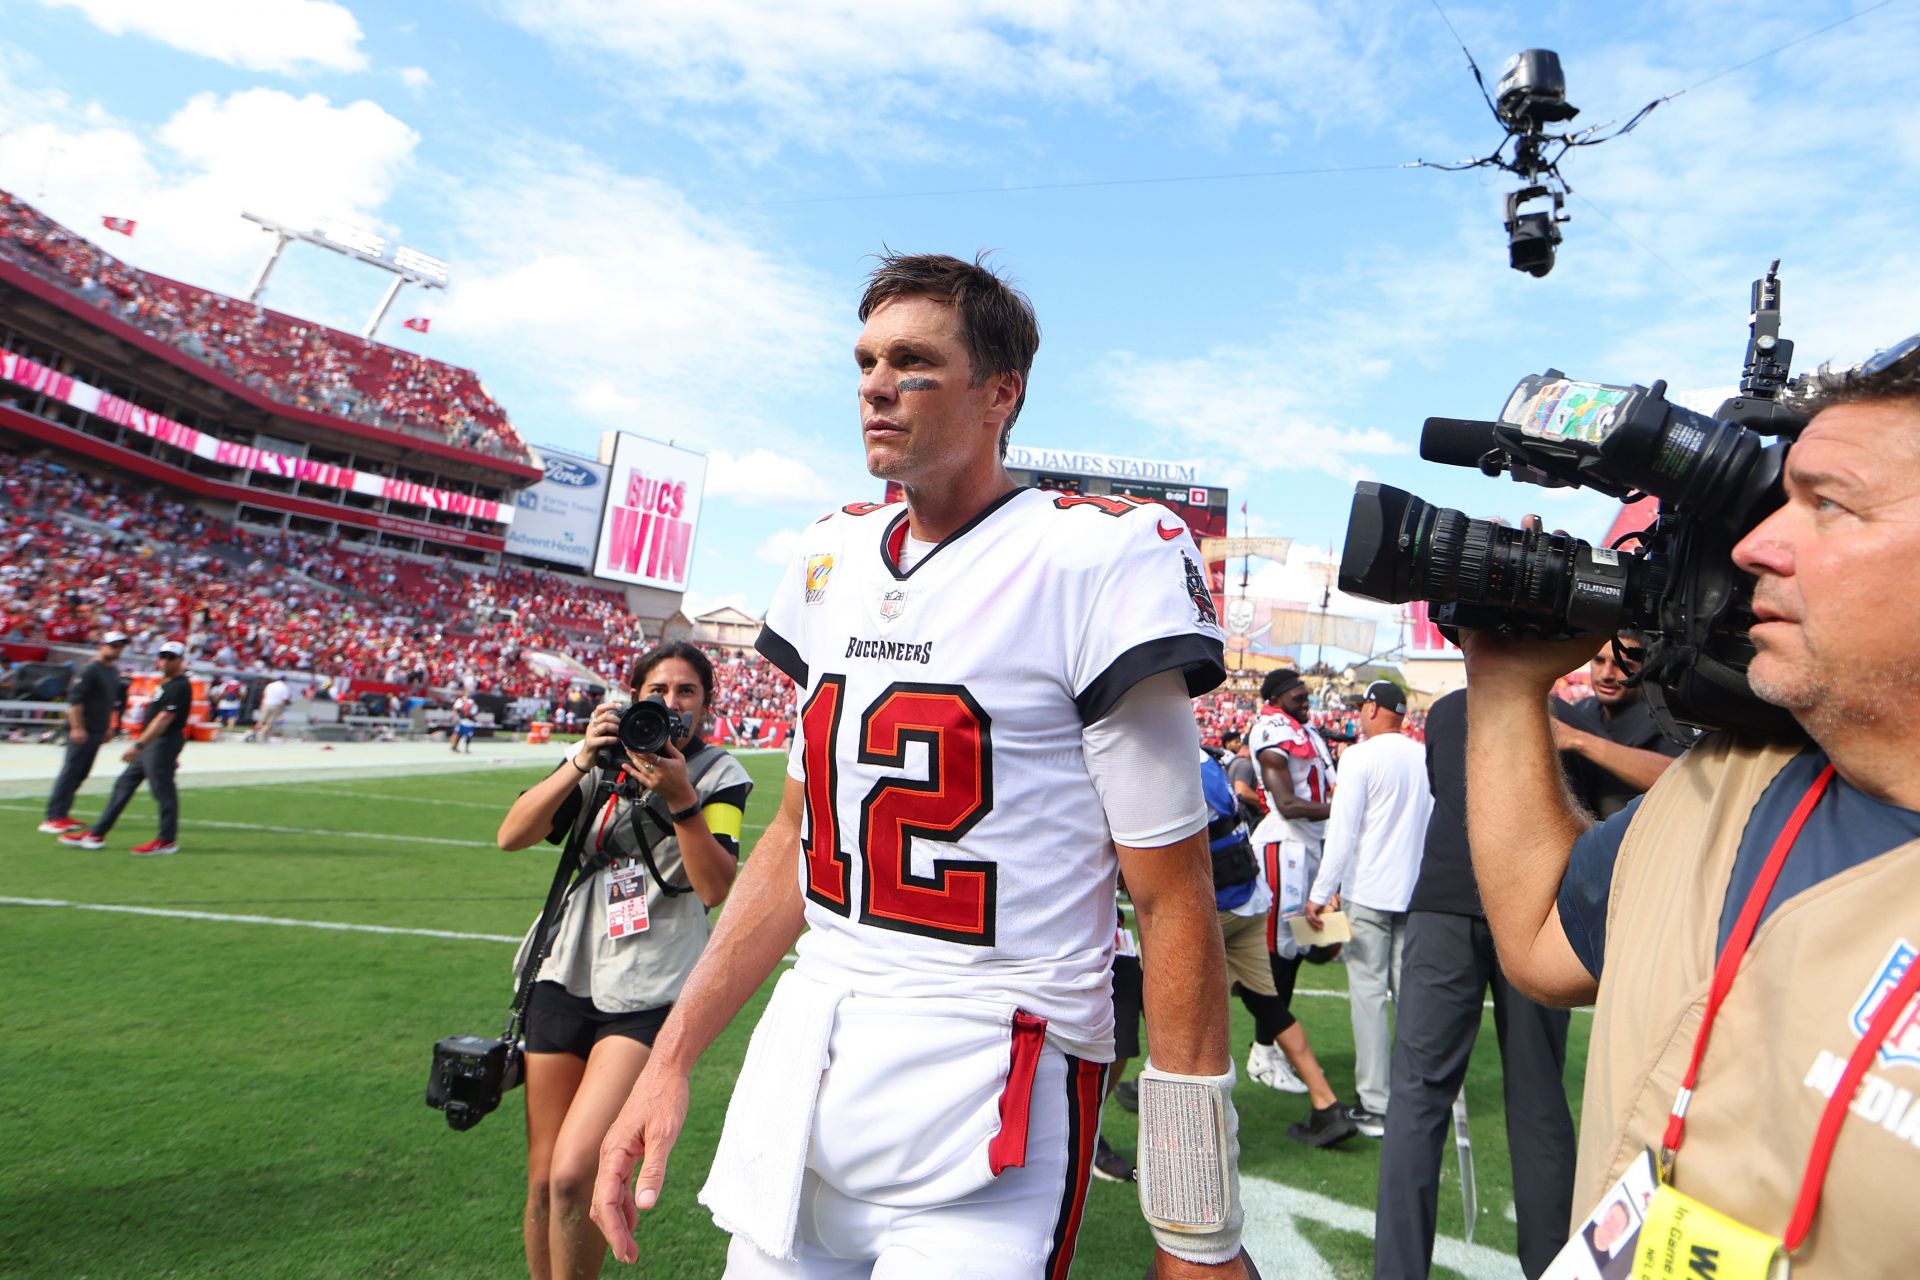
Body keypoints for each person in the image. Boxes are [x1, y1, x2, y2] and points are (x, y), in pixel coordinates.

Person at [590, 253, 1249, 1278]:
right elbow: (794, 839)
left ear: (1001, 391)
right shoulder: (829, 557)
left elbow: (1172, 899)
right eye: (864, 361)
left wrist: (1195, 1217)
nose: (875, 384)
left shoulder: (1096, 557)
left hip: (996, 1083)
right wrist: (669, 1057)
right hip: (810, 1067)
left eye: (913, 361)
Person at [1461, 340, 1920, 1278]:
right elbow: (1543, 945)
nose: (1755, 547)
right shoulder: (1734, 778)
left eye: (1828, 505)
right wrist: (1506, 690)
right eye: (1777, 500)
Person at [496, 641, 752, 1280]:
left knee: (576, 1170)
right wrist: (582, 756)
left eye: (687, 691)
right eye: (658, 690)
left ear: (705, 705)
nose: (671, 703)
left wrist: (681, 798)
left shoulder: (719, 773)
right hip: (564, 967)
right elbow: (512, 834)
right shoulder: (603, 759)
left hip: (651, 982)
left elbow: (717, 886)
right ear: (635, 694)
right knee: (543, 1181)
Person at [1369, 688, 1579, 1280]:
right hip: (1537, 908)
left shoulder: (1450, 710)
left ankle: (1398, 1272)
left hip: (1450, 903)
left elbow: (1455, 795)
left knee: (1417, 1099)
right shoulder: (1562, 714)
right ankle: (1552, 1266)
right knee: (1538, 1101)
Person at [1303, 680, 1432, 1138]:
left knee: (1369, 998)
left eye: (1364, 707)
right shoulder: (1423, 755)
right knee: (1412, 999)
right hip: (1416, 892)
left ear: (1375, 709)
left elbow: (1342, 831)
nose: (1360, 714)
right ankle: (1418, 1095)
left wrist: (1322, 890)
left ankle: (1377, 1103)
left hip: (1370, 892)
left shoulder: (1359, 756)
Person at [1246, 667, 1358, 1147]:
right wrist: (1346, 808)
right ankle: (1264, 1050)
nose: (1305, 702)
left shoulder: (1305, 730)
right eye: (1296, 696)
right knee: (1275, 954)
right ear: (1274, 698)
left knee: (1307, 948)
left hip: (1309, 847)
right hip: (1284, 848)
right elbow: (1289, 805)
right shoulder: (1271, 731)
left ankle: (1267, 1043)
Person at [59, 639, 191, 856]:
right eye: (163, 656)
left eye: (171, 658)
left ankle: (167, 840)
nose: (165, 661)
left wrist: (140, 745)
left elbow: (164, 719)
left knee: (162, 791)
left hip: (161, 743)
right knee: (123, 785)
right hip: (154, 744)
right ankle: (97, 832)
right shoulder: (167, 683)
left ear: (180, 660)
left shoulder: (179, 685)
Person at [1547, 630, 1687, 819]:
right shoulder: (1584, 709)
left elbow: (1682, 779)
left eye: (1623, 665)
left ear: (1645, 668)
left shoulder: (1665, 719)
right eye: (1599, 661)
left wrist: (1577, 740)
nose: (1606, 674)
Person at [39, 629, 129, 835]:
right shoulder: (90, 669)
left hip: (97, 728)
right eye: (113, 646)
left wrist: (108, 726)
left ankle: (62, 812)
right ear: (102, 646)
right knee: (71, 771)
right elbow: (75, 701)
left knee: (81, 773)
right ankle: (54, 816)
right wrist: (77, 727)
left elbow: (107, 703)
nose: (117, 650)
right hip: (83, 728)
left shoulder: (112, 671)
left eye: (120, 647)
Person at [251, 674, 290, 742]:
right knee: (269, 723)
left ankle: (252, 734)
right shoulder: (284, 687)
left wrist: (262, 705)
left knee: (261, 721)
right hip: (276, 706)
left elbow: (264, 695)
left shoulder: (270, 685)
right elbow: (285, 700)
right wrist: (282, 710)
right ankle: (263, 737)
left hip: (266, 704)